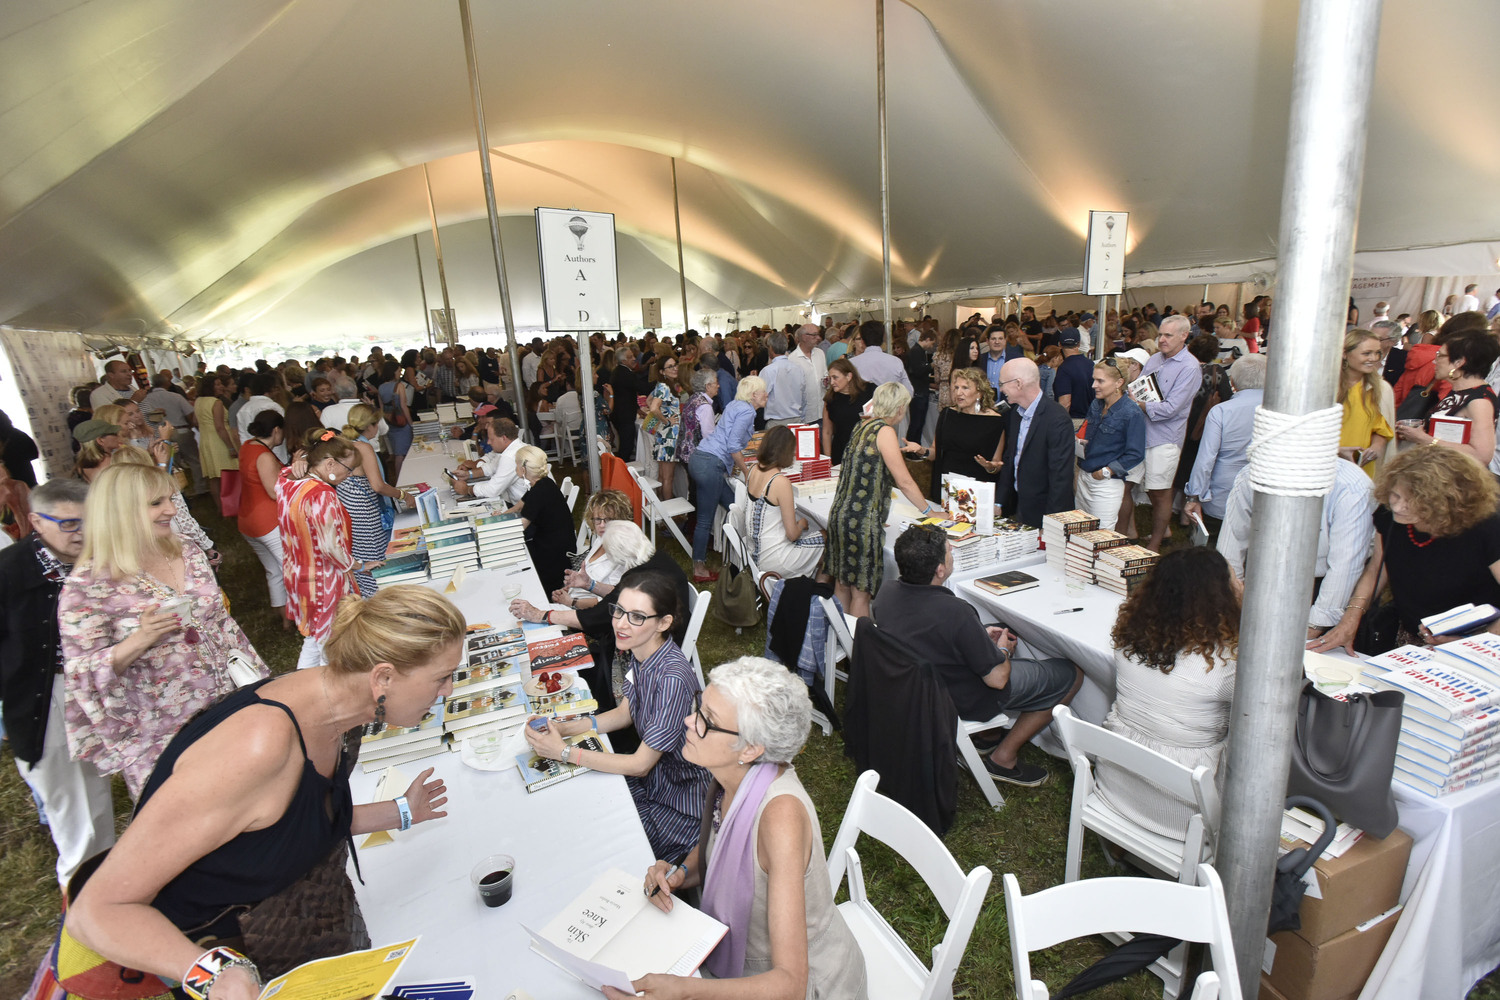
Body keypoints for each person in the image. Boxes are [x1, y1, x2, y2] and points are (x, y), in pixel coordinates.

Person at [61, 587, 460, 997]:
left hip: (305, 948)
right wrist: (214, 972)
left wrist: (402, 811)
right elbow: (96, 911)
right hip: (235, 969)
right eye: (442, 677)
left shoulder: (342, 705)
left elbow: (299, 822)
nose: (448, 690)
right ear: (384, 677)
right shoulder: (257, 748)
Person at [604, 656, 866, 1000]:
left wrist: (686, 992)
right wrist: (680, 873)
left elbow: (791, 985)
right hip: (743, 964)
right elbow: (723, 843)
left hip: (804, 984)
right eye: (699, 706)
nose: (688, 720)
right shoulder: (730, 778)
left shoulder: (780, 817)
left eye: (706, 720)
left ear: (750, 748)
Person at [59, 464, 268, 799]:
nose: (171, 509)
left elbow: (222, 624)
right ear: (120, 510)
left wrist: (255, 682)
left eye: (170, 499)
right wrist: (140, 640)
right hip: (163, 732)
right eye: (156, 503)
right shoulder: (88, 585)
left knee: (255, 800)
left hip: (229, 704)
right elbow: (80, 674)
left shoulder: (186, 548)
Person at [874, 525, 1082, 787]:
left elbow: (923, 633)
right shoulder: (954, 611)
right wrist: (1003, 650)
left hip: (917, 690)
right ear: (940, 570)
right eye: (949, 552)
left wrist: (979, 635)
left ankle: (987, 736)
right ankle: (1003, 759)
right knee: (1072, 674)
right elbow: (997, 680)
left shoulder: (887, 593)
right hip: (960, 698)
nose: (952, 556)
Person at [524, 573, 708, 859]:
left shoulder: (671, 678)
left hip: (679, 799)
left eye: (636, 616)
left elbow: (640, 765)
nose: (621, 623)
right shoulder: (642, 651)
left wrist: (564, 752)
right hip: (657, 779)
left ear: (664, 622)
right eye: (619, 610)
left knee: (590, 840)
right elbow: (626, 712)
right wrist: (571, 727)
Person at [0, 478, 116, 888]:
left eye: (88, 522)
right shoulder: (11, 571)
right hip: (49, 697)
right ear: (35, 521)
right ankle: (85, 899)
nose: (81, 533)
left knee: (106, 795)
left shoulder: (103, 559)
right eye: (67, 524)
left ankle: (117, 883)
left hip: (110, 685)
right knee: (77, 806)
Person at [1095, 547, 1240, 839]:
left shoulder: (1128, 641)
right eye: (1234, 579)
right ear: (1219, 598)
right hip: (1185, 811)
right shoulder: (1223, 668)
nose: (1240, 583)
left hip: (1117, 783)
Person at [1317, 447, 1500, 652]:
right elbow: (1377, 568)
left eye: (1413, 503)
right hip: (1410, 633)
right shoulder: (1390, 514)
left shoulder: (1487, 526)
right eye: (1396, 495)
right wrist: (1351, 617)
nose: (1398, 507)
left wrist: (1476, 643)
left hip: (1478, 638)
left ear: (1444, 504)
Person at [825, 382, 937, 616]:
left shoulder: (862, 425)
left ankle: (839, 642)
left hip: (840, 515)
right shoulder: (885, 431)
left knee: (842, 583)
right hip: (861, 522)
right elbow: (904, 481)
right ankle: (860, 649)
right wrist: (929, 511)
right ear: (899, 409)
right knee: (861, 592)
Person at [278, 429, 359, 670]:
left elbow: (286, 472)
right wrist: (354, 565)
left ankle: (302, 681)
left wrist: (298, 463)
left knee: (314, 637)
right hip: (324, 579)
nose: (349, 475)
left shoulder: (288, 482)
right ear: (331, 463)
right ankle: (326, 692)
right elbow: (330, 545)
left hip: (298, 574)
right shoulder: (322, 494)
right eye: (348, 469)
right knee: (330, 643)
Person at [688, 376, 767, 582]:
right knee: (706, 519)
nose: (766, 395)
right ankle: (699, 568)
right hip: (710, 464)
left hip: (702, 458)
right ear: (753, 395)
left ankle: (741, 556)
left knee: (735, 506)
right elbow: (733, 446)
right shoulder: (748, 411)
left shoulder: (735, 404)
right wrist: (747, 471)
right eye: (763, 391)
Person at [1137, 315, 1202, 551]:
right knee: (1152, 492)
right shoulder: (1154, 359)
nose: (1161, 340)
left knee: (1161, 492)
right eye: (1160, 334)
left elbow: (1171, 409)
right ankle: (1162, 531)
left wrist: (1141, 405)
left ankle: (1154, 545)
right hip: (1143, 433)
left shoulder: (1189, 367)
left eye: (1168, 335)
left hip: (1165, 438)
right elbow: (1141, 389)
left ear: (1184, 336)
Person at [986, 358, 1075, 528]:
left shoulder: (1057, 419)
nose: (1001, 389)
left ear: (1018, 383)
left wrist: (1051, 525)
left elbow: (1060, 478)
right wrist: (999, 503)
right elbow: (1010, 458)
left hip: (1047, 512)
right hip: (1022, 508)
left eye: (1002, 383)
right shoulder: (1015, 413)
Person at [1183, 355, 1267, 535]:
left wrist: (1194, 495)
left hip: (1224, 494)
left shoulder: (1222, 411)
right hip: (1267, 494)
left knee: (1218, 555)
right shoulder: (1279, 411)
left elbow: (1206, 458)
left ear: (1233, 382)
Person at [337, 404, 412, 597]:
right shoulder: (363, 447)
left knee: (359, 551)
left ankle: (364, 592)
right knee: (375, 555)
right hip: (365, 510)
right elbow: (377, 485)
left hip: (348, 507)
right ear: (370, 425)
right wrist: (402, 495)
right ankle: (377, 597)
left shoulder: (342, 442)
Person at [1393, 329, 1498, 467]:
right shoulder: (1461, 391)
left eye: (1440, 356)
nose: (1434, 362)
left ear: (1459, 362)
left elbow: (1481, 455)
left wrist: (1424, 439)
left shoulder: (1478, 401)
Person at [736, 425, 825, 580]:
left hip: (754, 555)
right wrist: (802, 524)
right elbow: (792, 535)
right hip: (776, 560)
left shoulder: (752, 470)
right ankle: (817, 593)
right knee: (828, 538)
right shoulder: (779, 482)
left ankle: (810, 589)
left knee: (816, 539)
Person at [910, 367, 1004, 500]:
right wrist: (921, 450)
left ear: (979, 393)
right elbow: (935, 452)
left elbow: (996, 465)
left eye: (965, 388)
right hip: (947, 487)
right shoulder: (947, 414)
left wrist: (990, 467)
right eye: (956, 387)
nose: (959, 393)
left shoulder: (995, 421)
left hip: (975, 491)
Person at [1076, 360, 1147, 525]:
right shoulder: (1096, 404)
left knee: (1102, 536)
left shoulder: (1131, 413)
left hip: (1106, 484)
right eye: (1094, 379)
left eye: (1100, 381)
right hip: (1084, 476)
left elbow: (1136, 453)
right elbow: (1087, 431)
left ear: (1119, 383)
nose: (1094, 385)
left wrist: (1107, 471)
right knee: (1079, 530)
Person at [238, 410, 289, 621]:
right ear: (276, 430)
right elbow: (273, 492)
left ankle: (283, 617)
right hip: (268, 522)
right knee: (290, 569)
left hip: (247, 520)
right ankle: (302, 617)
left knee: (273, 571)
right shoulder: (265, 456)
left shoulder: (248, 446)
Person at [553, 489, 636, 608]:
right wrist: (569, 588)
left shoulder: (624, 552)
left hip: (589, 614)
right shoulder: (601, 538)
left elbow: (614, 599)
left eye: (608, 519)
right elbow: (588, 574)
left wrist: (571, 602)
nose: (602, 525)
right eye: (598, 519)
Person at [514, 444, 574, 594]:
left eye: (516, 463)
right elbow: (520, 506)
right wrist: (501, 515)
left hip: (553, 555)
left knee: (516, 562)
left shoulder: (538, 492)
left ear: (523, 469)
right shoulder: (544, 482)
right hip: (560, 543)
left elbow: (519, 528)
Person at [1338, 329, 1395, 477]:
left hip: (1360, 471)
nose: (1373, 358)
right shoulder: (1327, 387)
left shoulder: (1380, 389)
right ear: (1345, 354)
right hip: (1324, 466)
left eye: (1377, 353)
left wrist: (1376, 448)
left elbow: (1382, 429)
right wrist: (1337, 450)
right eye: (1366, 353)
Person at [453, 417, 528, 505]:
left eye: (491, 439)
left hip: (526, 509)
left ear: (504, 438)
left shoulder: (510, 456)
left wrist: (467, 490)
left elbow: (492, 490)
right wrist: (468, 474)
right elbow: (489, 468)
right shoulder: (513, 448)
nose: (488, 442)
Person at [193, 373, 240, 502]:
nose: (221, 387)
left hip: (205, 440)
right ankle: (231, 505)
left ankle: (220, 508)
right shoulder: (216, 402)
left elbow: (195, 421)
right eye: (218, 384)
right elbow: (220, 427)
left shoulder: (198, 401)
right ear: (210, 387)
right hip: (219, 442)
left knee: (214, 477)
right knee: (228, 475)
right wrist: (231, 447)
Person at [820, 357, 873, 465]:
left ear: (849, 376)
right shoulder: (830, 399)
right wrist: (828, 460)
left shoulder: (869, 391)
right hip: (841, 451)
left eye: (835, 377)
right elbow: (827, 432)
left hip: (867, 450)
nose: (832, 382)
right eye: (830, 378)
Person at [647, 354, 685, 500]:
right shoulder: (664, 387)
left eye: (675, 365)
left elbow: (649, 401)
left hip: (664, 434)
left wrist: (663, 417)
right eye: (670, 367)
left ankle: (662, 507)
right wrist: (667, 420)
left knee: (663, 475)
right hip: (669, 436)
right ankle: (669, 514)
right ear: (662, 371)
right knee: (668, 477)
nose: (675, 368)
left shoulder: (662, 385)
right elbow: (653, 408)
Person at [848, 320, 913, 391]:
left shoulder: (851, 364)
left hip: (863, 401)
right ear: (883, 340)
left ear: (862, 341)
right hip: (891, 400)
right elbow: (908, 391)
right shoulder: (896, 362)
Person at [378, 360, 415, 482]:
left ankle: (399, 479)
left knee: (396, 452)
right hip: (401, 422)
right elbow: (404, 406)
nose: (400, 373)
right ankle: (402, 479)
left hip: (389, 423)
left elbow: (381, 408)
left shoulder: (381, 387)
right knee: (402, 454)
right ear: (394, 372)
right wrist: (411, 423)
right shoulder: (399, 386)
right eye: (399, 371)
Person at [1050, 331, 1096, 425]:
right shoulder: (1091, 364)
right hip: (1092, 420)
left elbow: (1065, 403)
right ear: (1078, 344)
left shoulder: (1064, 369)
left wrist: (1059, 424)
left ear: (1059, 344)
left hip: (1074, 422)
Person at [677, 368, 718, 469]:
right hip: (697, 457)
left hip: (685, 453)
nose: (718, 385)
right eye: (716, 382)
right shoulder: (705, 406)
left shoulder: (693, 398)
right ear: (708, 386)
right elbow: (708, 436)